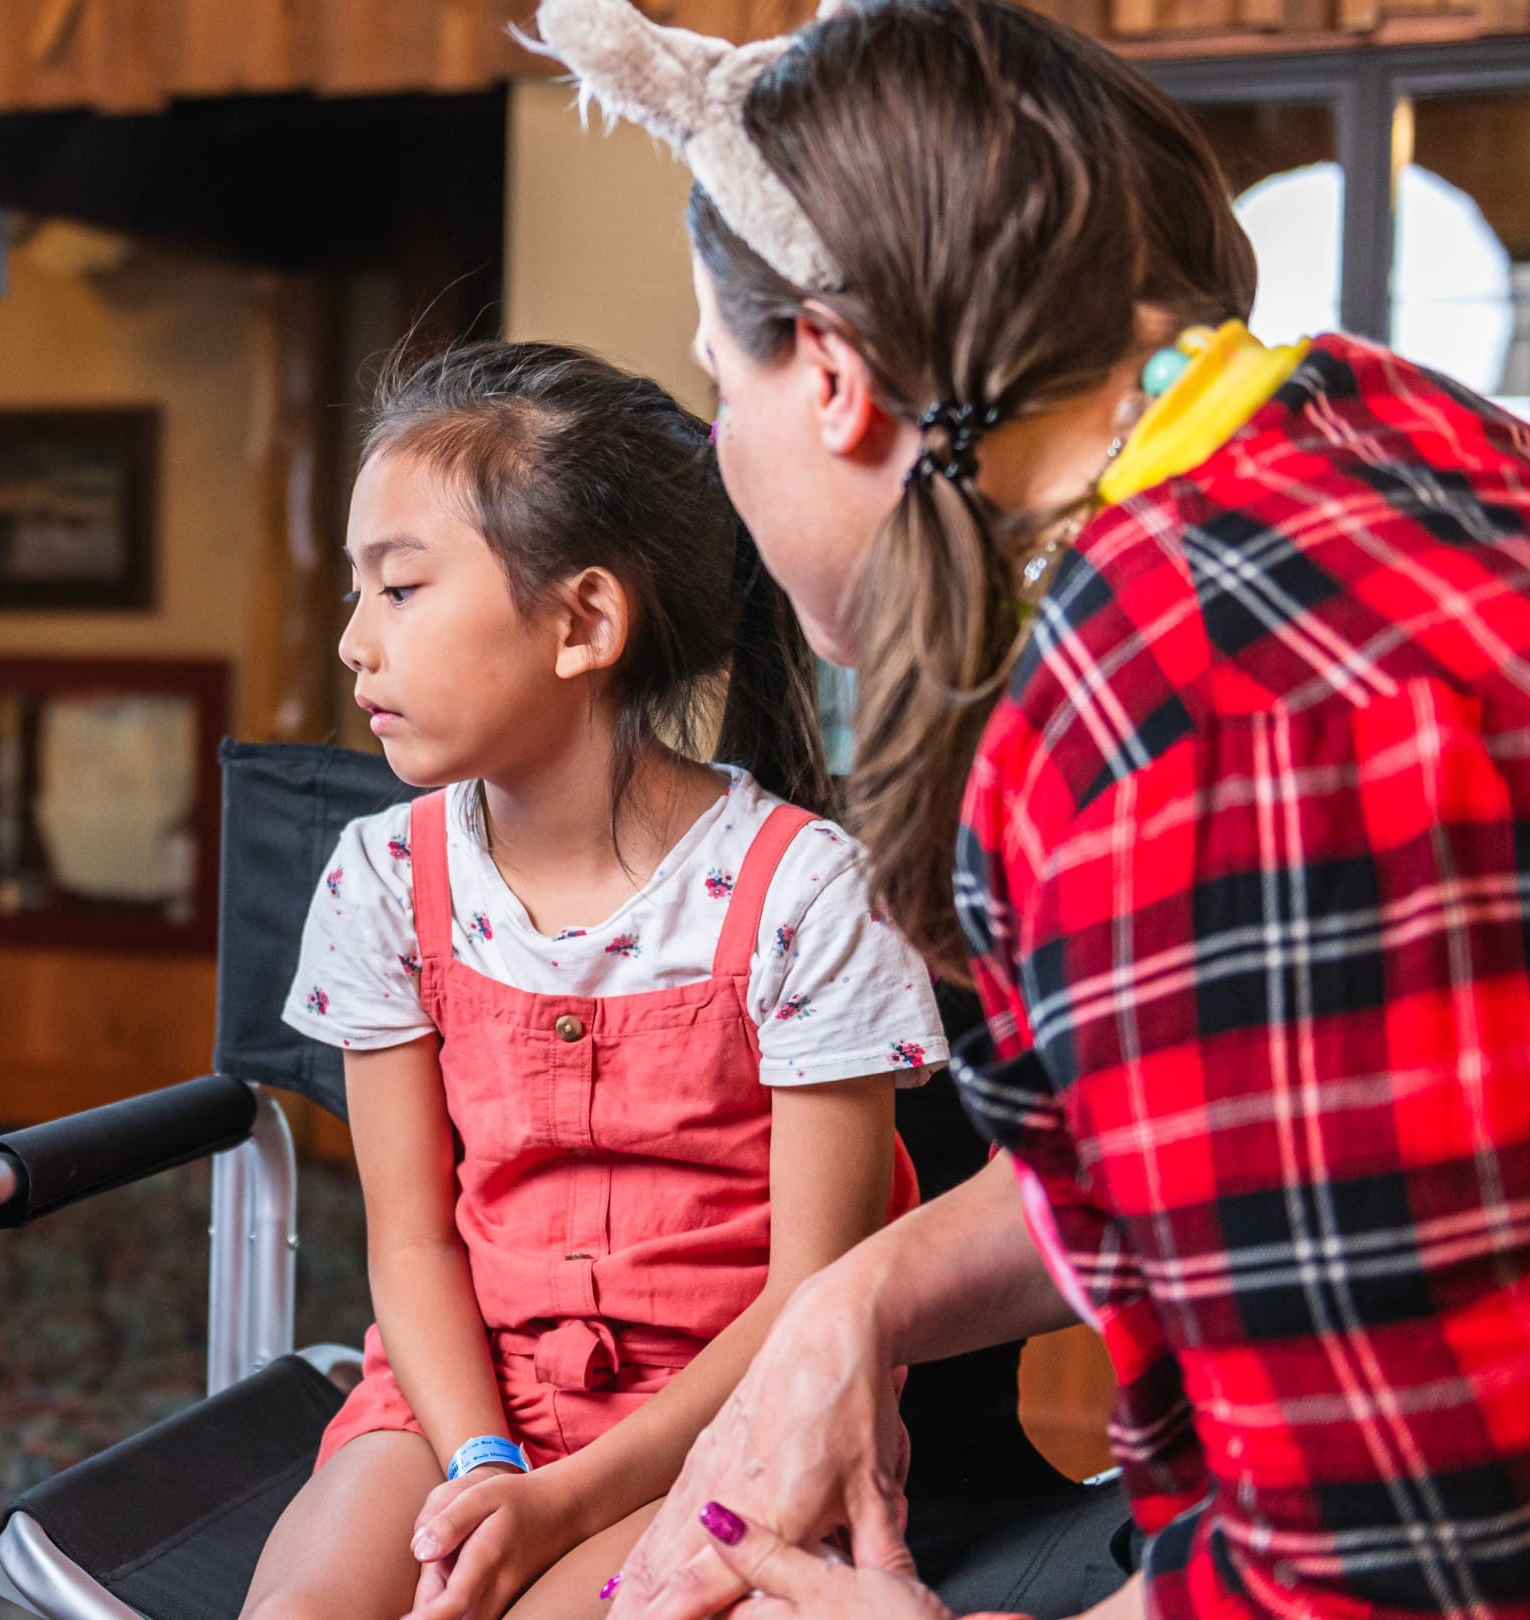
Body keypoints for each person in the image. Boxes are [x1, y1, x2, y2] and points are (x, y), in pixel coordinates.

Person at [508, 0, 1530, 1616]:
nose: (727, 450)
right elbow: (1251, 1154)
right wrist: (861, 1302)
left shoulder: (1195, 738)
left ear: (834, 377)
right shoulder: (1365, 421)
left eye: (726, 388)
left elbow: (1389, 1577)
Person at [248, 342, 951, 1620]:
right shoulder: (379, 879)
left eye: (399, 589)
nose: (353, 643)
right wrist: (482, 1464)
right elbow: (408, 1239)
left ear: (584, 621)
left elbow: (815, 1296)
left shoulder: (805, 895)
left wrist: (563, 1504)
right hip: (462, 1393)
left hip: (732, 1416)